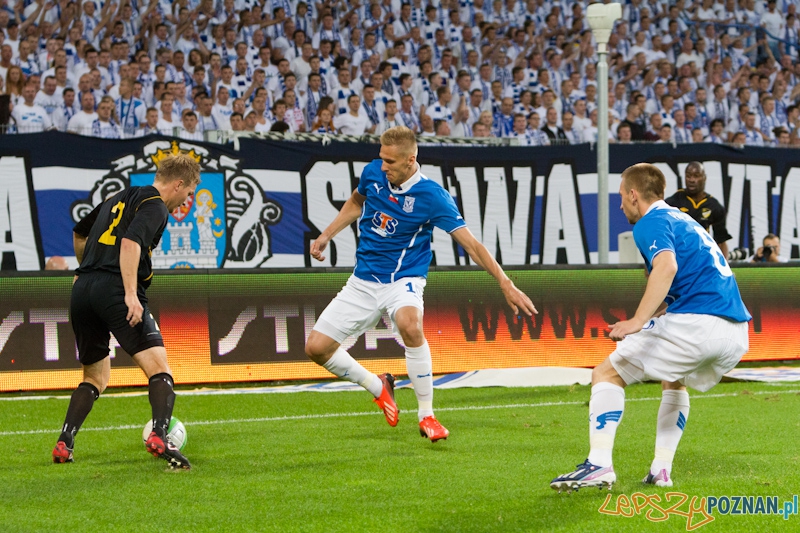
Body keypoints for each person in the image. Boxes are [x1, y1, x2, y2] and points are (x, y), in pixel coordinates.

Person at [304, 127, 537, 441]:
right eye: (381, 158)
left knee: (410, 325)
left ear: (410, 160)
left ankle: (427, 415)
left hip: (404, 279)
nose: (382, 165)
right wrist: (326, 235)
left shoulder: (432, 196)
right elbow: (356, 202)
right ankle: (377, 386)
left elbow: (472, 245)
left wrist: (506, 283)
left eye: (390, 161)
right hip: (363, 280)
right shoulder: (373, 172)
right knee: (316, 348)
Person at [551, 163, 750, 492]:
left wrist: (637, 321)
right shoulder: (685, 221)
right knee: (674, 380)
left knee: (606, 374)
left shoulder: (650, 222)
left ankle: (598, 465)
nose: (620, 206)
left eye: (620, 197)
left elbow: (666, 266)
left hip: (697, 325)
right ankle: (661, 469)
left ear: (633, 195)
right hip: (735, 331)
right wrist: (648, 317)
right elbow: (683, 283)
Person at [52, 154, 200, 470]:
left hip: (82, 291)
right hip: (115, 289)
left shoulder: (116, 198)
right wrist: (131, 295)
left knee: (95, 376)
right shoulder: (156, 205)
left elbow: (80, 232)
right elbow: (131, 242)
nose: (183, 203)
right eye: (187, 194)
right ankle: (160, 435)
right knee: (160, 369)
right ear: (178, 184)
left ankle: (65, 442)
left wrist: (83, 268)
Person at [665, 162, 732, 259]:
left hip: (702, 257)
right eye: (688, 176)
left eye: (696, 176)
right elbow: (659, 233)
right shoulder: (672, 202)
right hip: (678, 256)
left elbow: (721, 241)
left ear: (704, 178)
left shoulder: (714, 206)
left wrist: (725, 268)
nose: (692, 180)